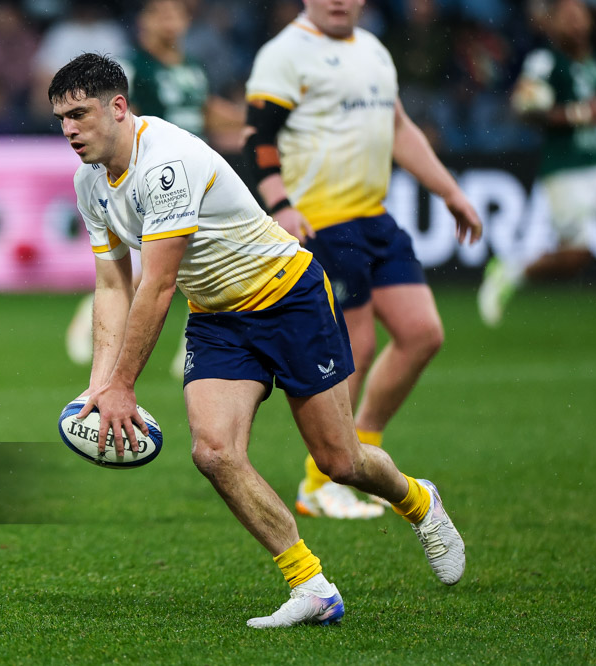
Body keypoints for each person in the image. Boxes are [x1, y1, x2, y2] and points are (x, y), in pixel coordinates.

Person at [50, 53, 465, 628]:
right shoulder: (88, 182)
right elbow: (113, 283)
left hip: (289, 297)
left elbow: (159, 283)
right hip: (220, 319)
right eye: (61, 118)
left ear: (118, 108)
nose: (69, 129)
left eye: (80, 113)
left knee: (340, 461)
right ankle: (310, 585)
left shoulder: (165, 163)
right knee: (214, 451)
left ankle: (419, 502)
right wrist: (101, 385)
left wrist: (125, 383)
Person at [243, 0, 483, 519]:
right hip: (321, 218)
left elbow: (399, 130)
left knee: (422, 334)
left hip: (374, 217)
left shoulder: (373, 50)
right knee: (360, 344)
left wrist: (449, 190)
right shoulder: (284, 54)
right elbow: (258, 139)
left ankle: (361, 457)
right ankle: (319, 479)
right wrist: (280, 205)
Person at [477, 0, 596, 358]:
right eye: (569, 18)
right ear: (553, 24)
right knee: (575, 256)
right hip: (566, 170)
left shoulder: (593, 64)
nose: (577, 24)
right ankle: (512, 271)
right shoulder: (545, 62)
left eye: (581, 16)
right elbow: (523, 108)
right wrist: (581, 113)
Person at [63, 0, 243, 372]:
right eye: (162, 14)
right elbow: (124, 123)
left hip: (193, 174)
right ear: (144, 22)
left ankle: (192, 349)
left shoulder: (191, 66)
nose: (171, 22)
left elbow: (205, 110)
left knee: (187, 265)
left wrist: (252, 122)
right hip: (158, 177)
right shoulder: (136, 67)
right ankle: (96, 314)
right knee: (166, 270)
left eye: (177, 14)